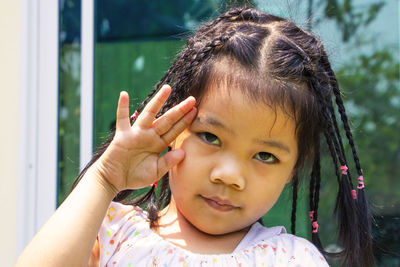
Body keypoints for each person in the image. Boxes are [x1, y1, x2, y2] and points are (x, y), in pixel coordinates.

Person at [16, 7, 374, 267]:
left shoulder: (292, 260)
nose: (228, 175)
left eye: (265, 156)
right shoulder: (113, 234)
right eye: (211, 137)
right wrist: (104, 177)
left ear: (294, 167)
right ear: (173, 127)